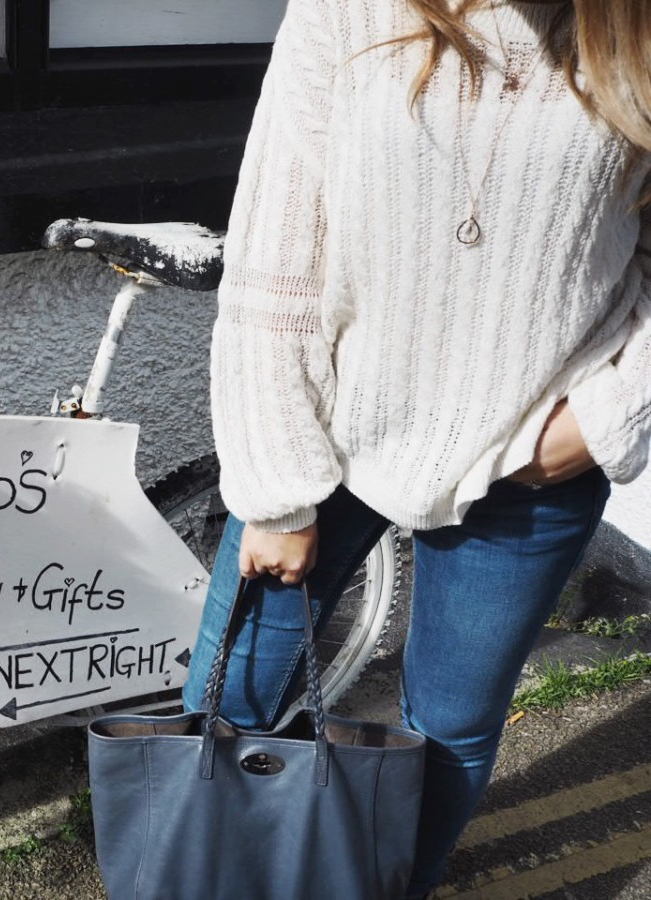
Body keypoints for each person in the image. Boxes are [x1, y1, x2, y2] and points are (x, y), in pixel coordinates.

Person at [181, 0, 651, 896]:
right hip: (326, 431)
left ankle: (385, 886)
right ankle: (210, 878)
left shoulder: (633, 29)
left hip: (532, 460)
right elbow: (274, 267)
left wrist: (607, 419)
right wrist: (277, 493)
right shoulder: (343, 13)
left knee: (448, 730)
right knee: (230, 697)